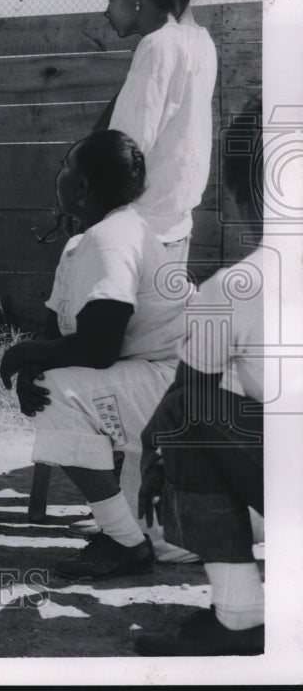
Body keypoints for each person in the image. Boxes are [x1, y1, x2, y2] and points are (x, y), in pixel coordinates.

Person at [0, 130, 194, 579]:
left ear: (82, 187)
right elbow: (60, 331)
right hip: (157, 386)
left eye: (65, 167)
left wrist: (25, 355)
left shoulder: (112, 239)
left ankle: (123, 544)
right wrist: (36, 360)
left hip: (183, 391)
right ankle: (134, 536)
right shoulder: (85, 242)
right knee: (167, 541)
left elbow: (98, 348)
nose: (59, 175)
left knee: (56, 393)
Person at [135, 97, 266, 656]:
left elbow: (186, 398)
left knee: (189, 416)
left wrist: (151, 450)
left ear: (238, 196)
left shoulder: (235, 288)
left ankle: (240, 614)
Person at [98, 0, 217, 265]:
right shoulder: (201, 42)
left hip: (137, 233)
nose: (107, 10)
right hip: (177, 227)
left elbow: (127, 148)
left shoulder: (158, 45)